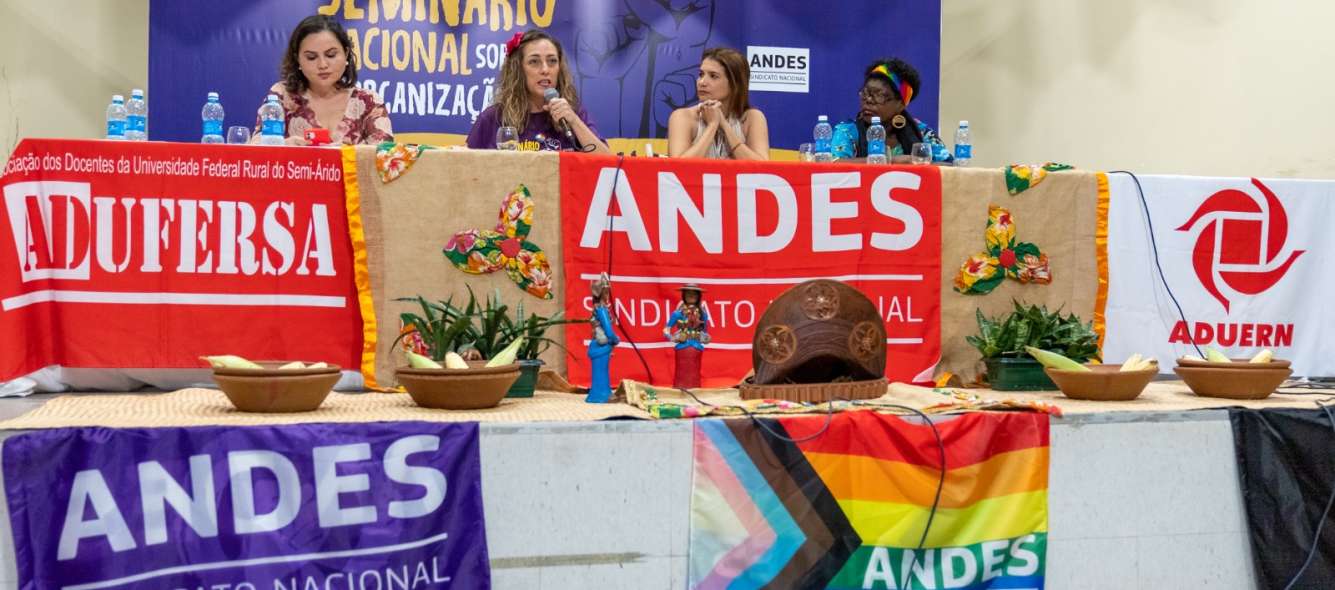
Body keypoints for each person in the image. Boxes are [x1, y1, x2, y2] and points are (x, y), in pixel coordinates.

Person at [255, 15, 393, 146]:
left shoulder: (368, 101)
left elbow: (385, 155)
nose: (322, 65)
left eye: (331, 55)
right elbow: (255, 146)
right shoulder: (281, 95)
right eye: (311, 57)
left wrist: (348, 154)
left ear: (346, 54)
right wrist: (283, 146)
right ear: (298, 60)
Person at [467, 31, 610, 153]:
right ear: (519, 70)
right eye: (534, 62)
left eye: (552, 61)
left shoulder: (573, 113)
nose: (545, 70)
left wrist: (573, 121)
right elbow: (463, 165)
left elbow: (608, 163)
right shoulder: (493, 118)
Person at [666, 48, 770, 160]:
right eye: (701, 74)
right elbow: (678, 167)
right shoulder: (682, 117)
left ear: (735, 83)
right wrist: (712, 126)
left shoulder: (752, 118)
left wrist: (724, 125)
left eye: (713, 76)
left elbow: (762, 167)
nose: (702, 82)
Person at [844, 58, 952, 163]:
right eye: (865, 93)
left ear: (900, 104)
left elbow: (950, 166)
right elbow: (836, 164)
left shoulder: (922, 132)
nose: (868, 100)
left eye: (879, 95)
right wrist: (891, 161)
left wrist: (917, 162)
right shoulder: (848, 130)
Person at [663, 284, 710, 389]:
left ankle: (695, 390)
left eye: (694, 294)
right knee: (682, 371)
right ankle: (680, 389)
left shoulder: (703, 314)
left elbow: (705, 332)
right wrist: (673, 338)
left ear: (698, 296)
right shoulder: (677, 314)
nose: (691, 296)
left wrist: (706, 338)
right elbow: (666, 329)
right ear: (684, 296)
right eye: (688, 294)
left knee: (694, 372)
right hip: (682, 347)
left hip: (696, 347)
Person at [586, 274, 619, 403]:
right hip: (601, 345)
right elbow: (608, 329)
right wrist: (615, 339)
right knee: (601, 371)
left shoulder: (598, 308)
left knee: (601, 370)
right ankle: (600, 395)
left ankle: (603, 393)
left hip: (599, 344)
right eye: (606, 292)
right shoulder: (601, 310)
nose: (607, 295)